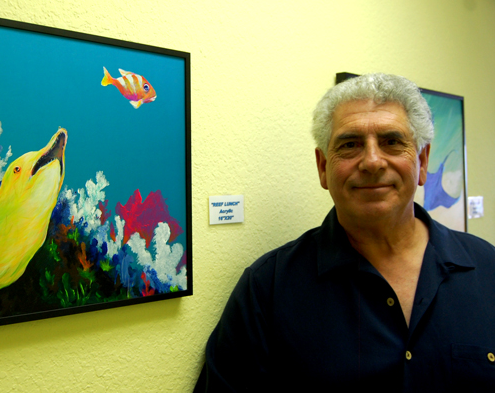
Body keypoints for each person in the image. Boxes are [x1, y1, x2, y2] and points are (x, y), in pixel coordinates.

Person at [195, 73, 495, 392]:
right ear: (323, 167)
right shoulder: (267, 289)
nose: (372, 162)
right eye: (350, 145)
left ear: (422, 163)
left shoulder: (487, 267)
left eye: (392, 142)